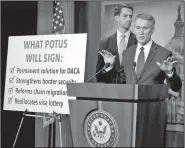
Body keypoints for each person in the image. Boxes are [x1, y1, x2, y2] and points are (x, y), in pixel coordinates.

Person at [99, 13, 182, 147]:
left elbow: (177, 87)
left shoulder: (163, 54)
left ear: (152, 30)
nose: (141, 32)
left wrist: (170, 72)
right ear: (134, 29)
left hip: (152, 118)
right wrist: (109, 66)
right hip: (126, 115)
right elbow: (119, 82)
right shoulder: (127, 53)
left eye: (145, 28)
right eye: (138, 28)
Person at [96, 4, 137, 83]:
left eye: (130, 16)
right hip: (112, 91)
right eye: (125, 16)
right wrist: (108, 67)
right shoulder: (105, 43)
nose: (129, 19)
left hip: (132, 90)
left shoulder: (139, 42)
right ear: (117, 18)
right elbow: (98, 75)